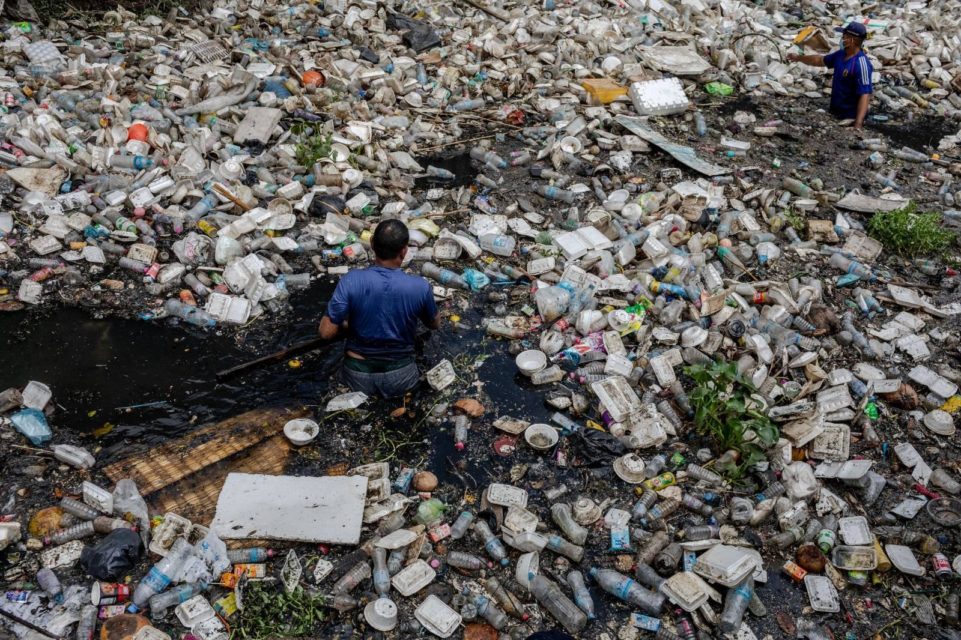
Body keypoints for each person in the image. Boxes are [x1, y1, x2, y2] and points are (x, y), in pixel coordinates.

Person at [319, 219, 441, 398]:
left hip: (357, 374)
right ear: (404, 250)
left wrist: (348, 324)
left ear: (372, 244)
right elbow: (434, 324)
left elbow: (325, 332)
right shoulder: (420, 286)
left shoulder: (350, 281)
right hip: (401, 375)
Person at [787, 22, 873, 129]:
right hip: (835, 113)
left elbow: (865, 95)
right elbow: (819, 60)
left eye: (844, 36)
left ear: (852, 39)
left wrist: (858, 124)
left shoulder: (861, 64)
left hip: (849, 117)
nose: (842, 39)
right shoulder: (841, 54)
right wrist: (798, 58)